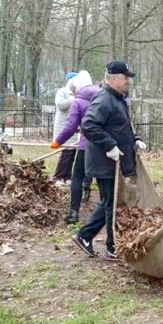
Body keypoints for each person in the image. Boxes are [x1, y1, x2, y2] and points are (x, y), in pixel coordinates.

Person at [72, 61, 146, 260]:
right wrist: (110, 145)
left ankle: (85, 236)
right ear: (113, 79)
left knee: (108, 201)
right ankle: (112, 247)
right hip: (105, 162)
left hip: (114, 161)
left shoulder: (118, 99)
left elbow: (121, 126)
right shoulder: (104, 99)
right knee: (111, 204)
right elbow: (88, 125)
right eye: (125, 78)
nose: (128, 82)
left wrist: (135, 139)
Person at [52, 71, 98, 224]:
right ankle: (104, 215)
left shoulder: (78, 101)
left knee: (77, 176)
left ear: (77, 87)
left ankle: (73, 214)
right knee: (103, 179)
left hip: (86, 145)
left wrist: (58, 141)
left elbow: (70, 126)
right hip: (106, 146)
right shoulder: (103, 96)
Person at [52, 72, 78, 183]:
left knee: (72, 153)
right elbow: (61, 105)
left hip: (73, 127)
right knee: (66, 153)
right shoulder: (62, 92)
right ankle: (58, 176)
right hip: (63, 126)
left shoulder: (76, 93)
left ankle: (67, 176)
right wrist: (73, 98)